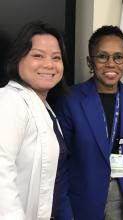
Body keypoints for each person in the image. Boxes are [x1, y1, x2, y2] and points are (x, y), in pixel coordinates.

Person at [55, 25, 123, 220]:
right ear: (90, 62)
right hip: (82, 200)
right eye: (102, 56)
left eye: (118, 57)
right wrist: (63, 210)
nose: (110, 63)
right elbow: (60, 162)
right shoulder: (71, 99)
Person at [0, 21, 68, 220]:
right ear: (17, 59)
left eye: (56, 57)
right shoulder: (9, 100)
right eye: (38, 55)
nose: (49, 64)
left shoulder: (44, 107)